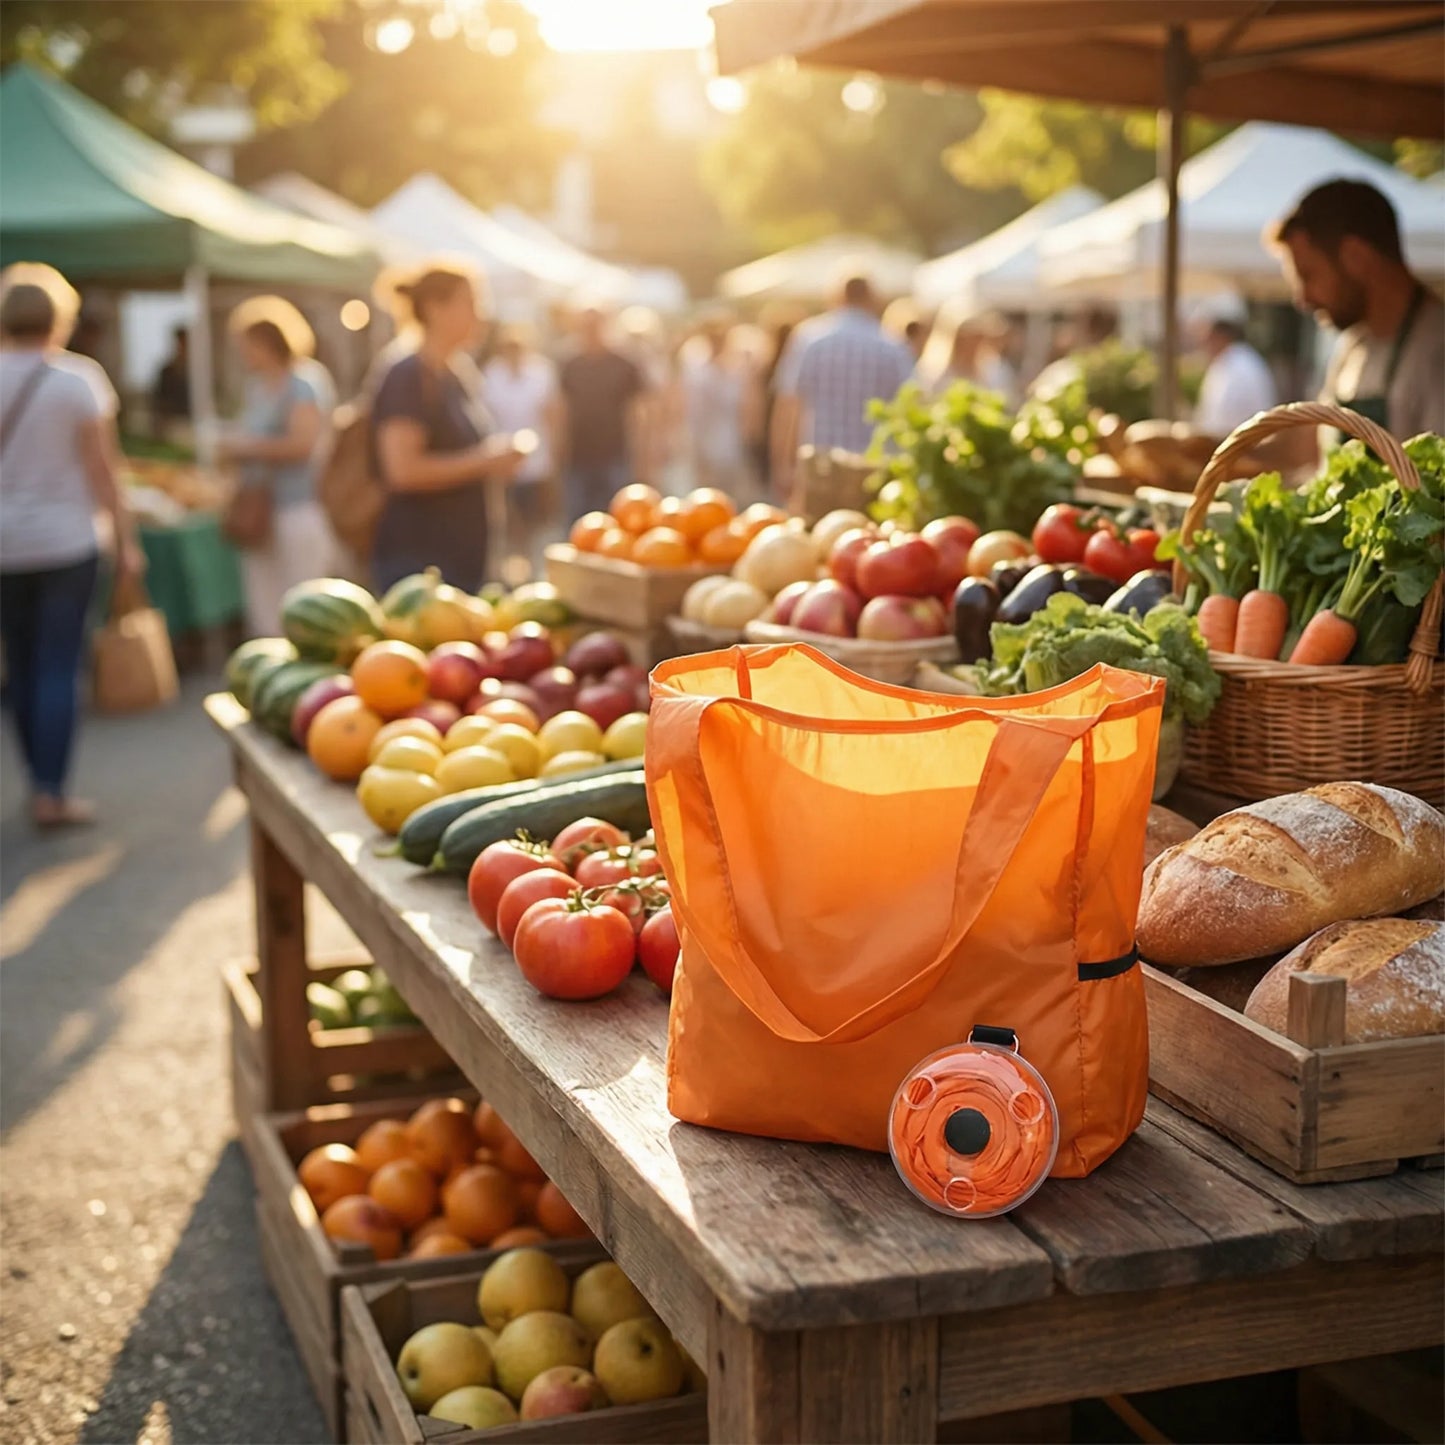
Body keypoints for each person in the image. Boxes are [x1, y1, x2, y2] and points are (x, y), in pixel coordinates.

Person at [0, 264, 143, 826]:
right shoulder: (78, 380)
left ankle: (36, 777)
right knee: (58, 664)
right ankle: (51, 790)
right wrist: (126, 540)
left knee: (20, 664)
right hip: (66, 541)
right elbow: (104, 471)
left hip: (5, 546)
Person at [369, 263, 522, 592]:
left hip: (460, 559)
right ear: (434, 309)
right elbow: (402, 471)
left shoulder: (456, 374)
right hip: (419, 564)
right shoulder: (407, 375)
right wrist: (485, 461)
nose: (481, 315)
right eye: (471, 303)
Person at [1269, 178, 1444, 439]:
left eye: (1308, 275)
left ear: (1356, 257)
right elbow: (1310, 447)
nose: (1302, 299)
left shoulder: (1436, 348)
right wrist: (1214, 447)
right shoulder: (1355, 342)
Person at [221, 297, 337, 636]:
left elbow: (303, 444)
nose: (244, 353)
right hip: (260, 508)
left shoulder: (304, 382)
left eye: (249, 345)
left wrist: (245, 448)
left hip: (298, 503)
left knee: (304, 599)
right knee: (264, 601)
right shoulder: (256, 387)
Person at [770, 274, 914, 488]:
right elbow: (910, 408)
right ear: (871, 298)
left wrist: (782, 466)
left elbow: (788, 406)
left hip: (820, 466)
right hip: (875, 470)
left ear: (836, 297)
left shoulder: (809, 338)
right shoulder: (893, 345)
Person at [483, 324, 562, 572]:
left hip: (536, 460)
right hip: (502, 459)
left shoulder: (540, 372)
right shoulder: (492, 374)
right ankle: (511, 564)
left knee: (532, 515)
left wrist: (555, 455)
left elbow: (552, 413)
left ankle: (530, 561)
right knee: (508, 517)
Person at [558, 306, 648, 522]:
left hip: (615, 452)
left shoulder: (624, 364)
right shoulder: (570, 365)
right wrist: (559, 449)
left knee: (619, 517)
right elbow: (562, 409)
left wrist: (643, 454)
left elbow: (637, 411)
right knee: (578, 520)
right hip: (578, 454)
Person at [681, 313, 756, 497]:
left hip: (730, 439)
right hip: (703, 435)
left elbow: (746, 404)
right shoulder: (696, 365)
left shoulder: (738, 366)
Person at [1192, 296, 1277, 439]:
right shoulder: (1230, 361)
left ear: (1220, 335)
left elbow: (1222, 422)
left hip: (1243, 444)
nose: (1202, 342)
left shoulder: (1241, 365)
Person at [915, 305, 1018, 403]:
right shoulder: (934, 372)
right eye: (969, 337)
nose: (974, 343)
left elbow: (1005, 399)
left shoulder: (994, 369)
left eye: (978, 336)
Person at [151, 326, 192, 436]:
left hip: (191, 422)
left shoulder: (197, 372)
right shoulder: (167, 371)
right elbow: (159, 399)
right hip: (173, 423)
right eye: (181, 342)